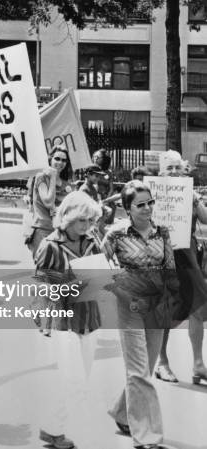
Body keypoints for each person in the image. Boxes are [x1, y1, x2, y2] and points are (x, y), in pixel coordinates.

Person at [102, 180, 176, 449]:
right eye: (140, 205)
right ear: (128, 209)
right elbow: (100, 268)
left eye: (150, 203)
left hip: (156, 305)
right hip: (129, 304)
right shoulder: (116, 235)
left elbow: (170, 269)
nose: (147, 209)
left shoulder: (163, 232)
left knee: (143, 369)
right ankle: (147, 436)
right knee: (138, 372)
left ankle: (122, 413)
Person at [34, 191, 103, 449]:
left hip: (89, 315)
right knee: (73, 379)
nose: (85, 226)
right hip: (62, 318)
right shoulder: (49, 245)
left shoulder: (92, 242)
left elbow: (101, 275)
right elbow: (41, 286)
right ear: (67, 218)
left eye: (89, 221)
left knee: (80, 376)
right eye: (81, 220)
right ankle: (64, 430)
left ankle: (52, 428)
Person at [153, 150, 207, 385]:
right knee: (165, 308)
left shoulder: (189, 194)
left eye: (177, 167)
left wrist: (195, 200)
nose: (174, 171)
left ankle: (198, 364)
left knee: (199, 306)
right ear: (161, 172)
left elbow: (205, 219)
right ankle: (161, 362)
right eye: (169, 168)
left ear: (184, 170)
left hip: (188, 255)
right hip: (162, 256)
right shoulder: (152, 193)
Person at [27, 146, 73, 259]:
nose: (60, 162)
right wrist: (52, 177)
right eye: (57, 158)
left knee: (59, 269)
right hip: (43, 229)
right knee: (44, 268)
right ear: (50, 159)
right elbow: (48, 202)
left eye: (64, 160)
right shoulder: (41, 177)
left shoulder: (66, 184)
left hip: (61, 231)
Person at [92, 148, 115, 223]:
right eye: (95, 156)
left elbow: (111, 189)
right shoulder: (91, 171)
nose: (96, 158)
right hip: (94, 198)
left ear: (104, 159)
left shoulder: (109, 173)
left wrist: (107, 200)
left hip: (106, 198)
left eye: (98, 157)